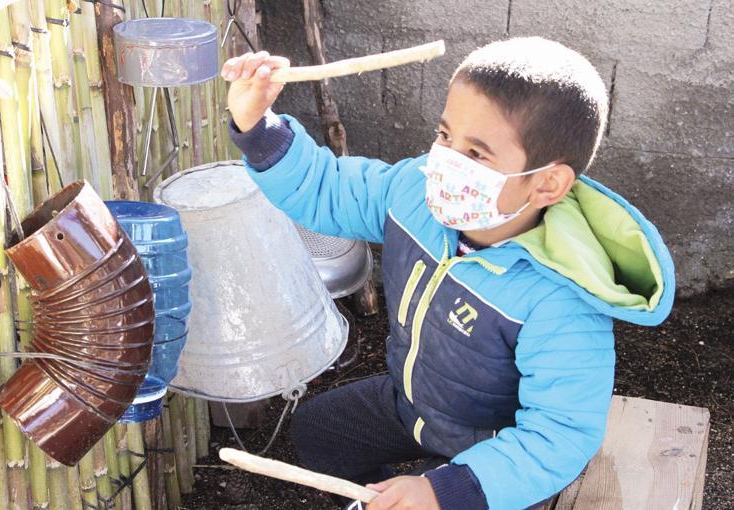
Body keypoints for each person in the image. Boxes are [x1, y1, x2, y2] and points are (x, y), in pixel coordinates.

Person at [222, 37, 675, 510]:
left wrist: (443, 490)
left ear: (547, 183)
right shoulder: (414, 194)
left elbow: (557, 435)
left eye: (477, 155)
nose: (446, 163)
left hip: (494, 452)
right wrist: (256, 124)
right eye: (444, 136)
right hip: (413, 403)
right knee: (322, 431)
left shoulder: (560, 301)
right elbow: (327, 188)